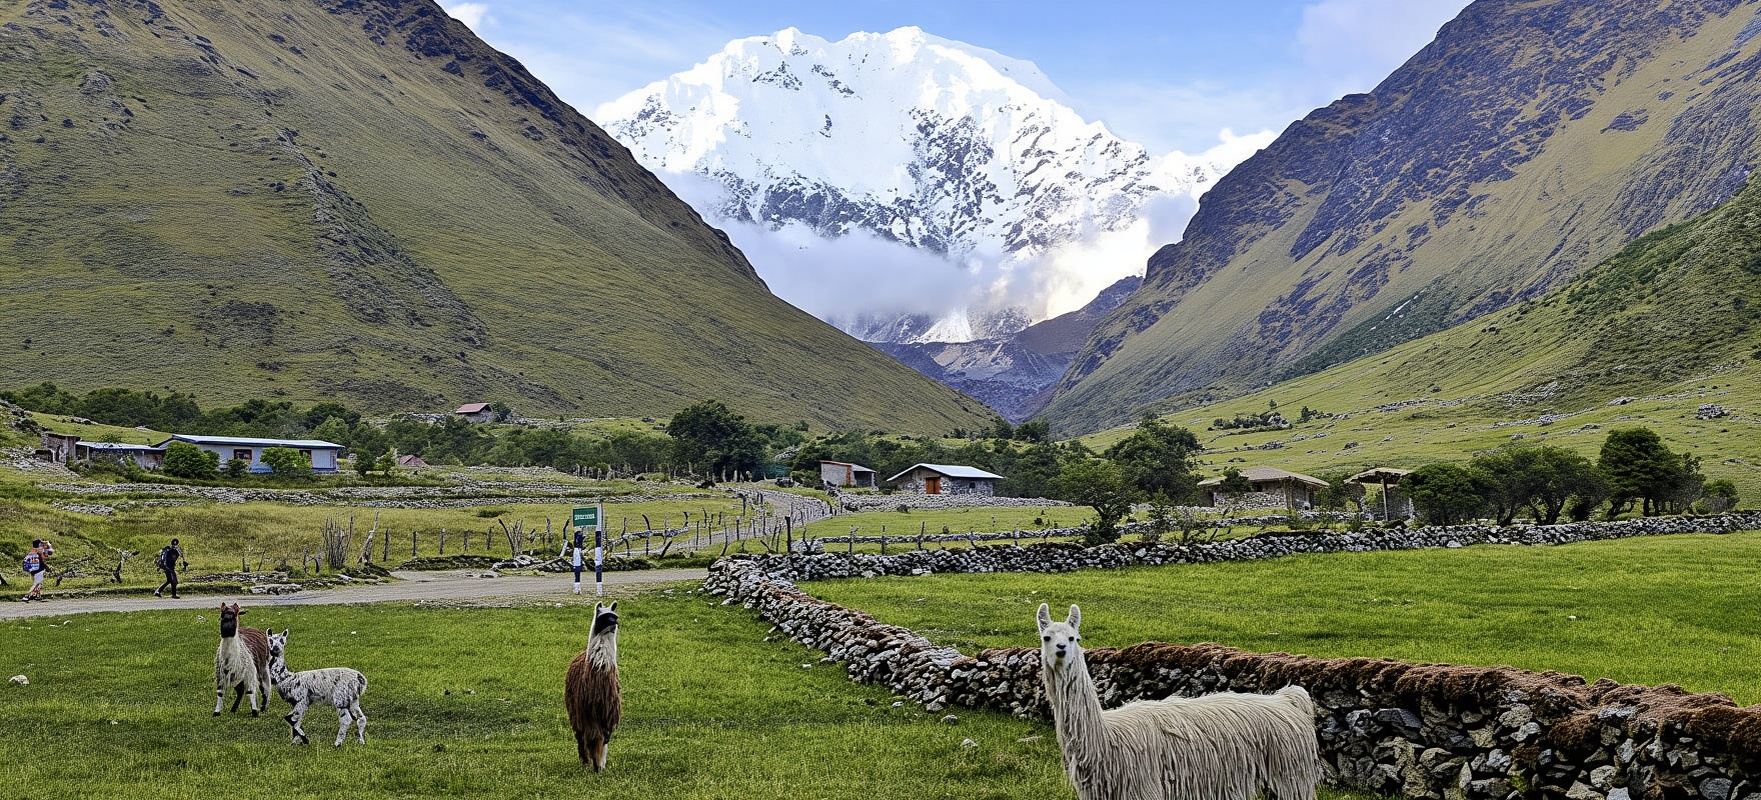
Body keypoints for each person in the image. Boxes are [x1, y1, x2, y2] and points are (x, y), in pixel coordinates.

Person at [560, 530, 587, 595]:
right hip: (577, 551)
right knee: (577, 571)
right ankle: (577, 588)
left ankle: (577, 588)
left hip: (577, 552)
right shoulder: (577, 547)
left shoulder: (577, 547)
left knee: (577, 571)